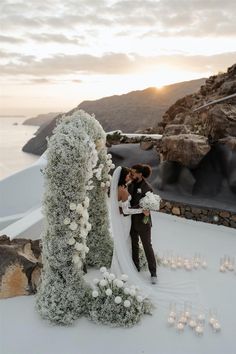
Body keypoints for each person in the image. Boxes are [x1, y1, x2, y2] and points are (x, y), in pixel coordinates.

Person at [128, 164, 157, 284]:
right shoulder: (130, 184)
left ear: (140, 173)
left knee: (147, 246)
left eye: (134, 172)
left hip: (143, 222)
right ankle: (135, 268)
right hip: (131, 221)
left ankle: (153, 273)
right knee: (134, 245)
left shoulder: (147, 188)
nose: (132, 174)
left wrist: (146, 210)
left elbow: (149, 205)